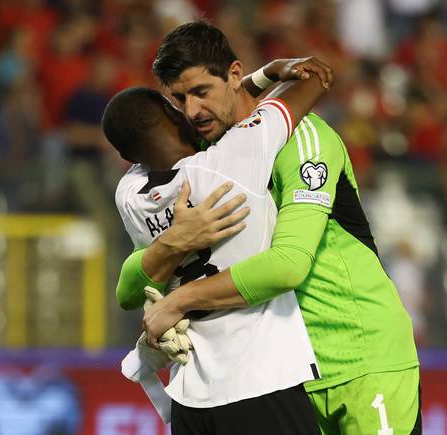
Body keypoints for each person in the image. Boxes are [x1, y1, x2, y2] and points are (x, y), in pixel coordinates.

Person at [119, 21, 421, 435]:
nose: (191, 111)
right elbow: (128, 287)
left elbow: (288, 264)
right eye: (179, 99)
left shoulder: (305, 139)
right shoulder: (207, 156)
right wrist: (172, 243)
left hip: (361, 357)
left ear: (236, 76)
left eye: (202, 93)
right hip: (289, 372)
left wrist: (179, 300)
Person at [104, 61, 332, 434]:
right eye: (178, 103)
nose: (191, 110)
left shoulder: (129, 197)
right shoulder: (235, 158)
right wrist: (272, 72)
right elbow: (314, 82)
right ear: (173, 115)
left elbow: (130, 290)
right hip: (260, 381)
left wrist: (174, 241)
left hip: (191, 394)